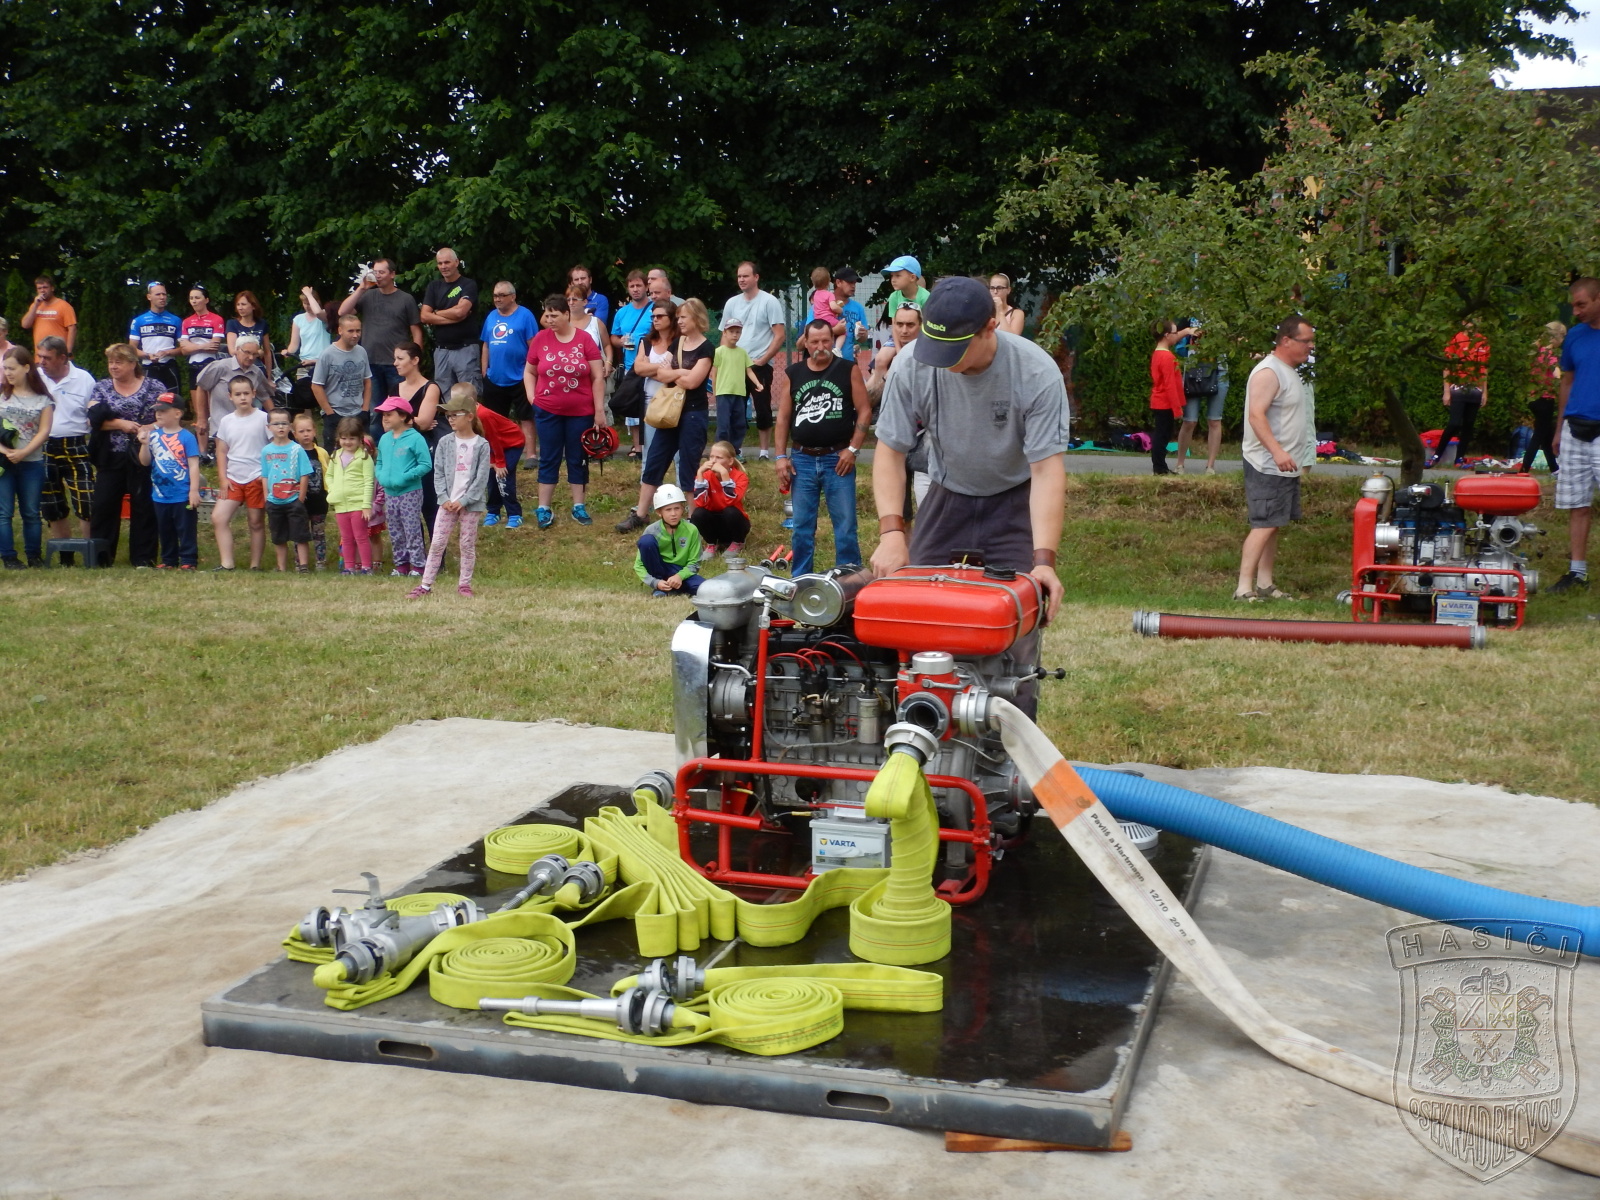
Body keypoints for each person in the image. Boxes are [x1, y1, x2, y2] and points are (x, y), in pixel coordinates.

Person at [872, 276, 1069, 715]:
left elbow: (1046, 471)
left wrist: (1043, 562)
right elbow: (889, 452)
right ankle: (921, 726)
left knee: (1017, 627)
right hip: (947, 496)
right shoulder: (912, 364)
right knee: (917, 615)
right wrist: (892, 533)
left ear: (989, 327)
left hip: (1014, 499)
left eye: (955, 350)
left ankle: (1009, 737)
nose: (943, 362)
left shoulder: (1035, 372)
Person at [776, 318, 872, 576]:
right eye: (815, 341)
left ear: (833, 341)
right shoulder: (793, 373)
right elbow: (783, 417)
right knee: (801, 527)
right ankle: (801, 580)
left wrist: (853, 450)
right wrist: (780, 457)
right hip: (802, 459)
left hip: (837, 458)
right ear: (805, 344)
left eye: (826, 341)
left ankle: (849, 579)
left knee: (845, 526)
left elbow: (864, 410)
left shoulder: (848, 369)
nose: (821, 347)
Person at [1234, 315, 1316, 602]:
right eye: (1306, 341)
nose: (1311, 347)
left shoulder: (1290, 370)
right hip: (1267, 463)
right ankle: (1243, 588)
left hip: (1285, 465)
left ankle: (1265, 584)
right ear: (1286, 340)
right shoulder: (1268, 372)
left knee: (1274, 523)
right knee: (1263, 524)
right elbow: (1256, 416)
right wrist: (1277, 452)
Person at [617, 299, 714, 534]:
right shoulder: (678, 343)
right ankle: (640, 514)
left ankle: (693, 518)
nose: (679, 321)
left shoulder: (706, 347)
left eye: (683, 317)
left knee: (688, 466)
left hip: (693, 414)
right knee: (655, 460)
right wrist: (681, 372)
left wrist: (674, 374)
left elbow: (693, 382)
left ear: (697, 319)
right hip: (670, 412)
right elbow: (662, 373)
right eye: (678, 317)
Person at [524, 292, 605, 530]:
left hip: (581, 411)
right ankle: (543, 507)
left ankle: (579, 506)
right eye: (547, 315)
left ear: (566, 314)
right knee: (549, 456)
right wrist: (532, 398)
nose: (549, 320)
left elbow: (597, 376)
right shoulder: (540, 339)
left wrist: (599, 409)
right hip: (547, 410)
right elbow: (529, 371)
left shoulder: (584, 339)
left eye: (554, 315)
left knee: (577, 458)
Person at [86, 343, 165, 567]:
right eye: (110, 362)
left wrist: (147, 428)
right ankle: (101, 558)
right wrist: (121, 424)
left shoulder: (155, 386)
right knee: (103, 505)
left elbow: (166, 418)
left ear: (132, 364)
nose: (113, 366)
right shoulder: (101, 388)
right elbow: (93, 421)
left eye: (118, 362)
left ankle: (144, 558)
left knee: (144, 506)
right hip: (110, 455)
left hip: (144, 455)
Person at [409, 394, 489, 598]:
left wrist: (464, 500)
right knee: (437, 543)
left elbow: (481, 478)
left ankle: (464, 585)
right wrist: (444, 498)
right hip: (446, 503)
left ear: (469, 416)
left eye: (455, 415)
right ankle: (425, 585)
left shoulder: (482, 445)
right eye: (448, 416)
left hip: (471, 504)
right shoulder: (444, 442)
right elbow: (438, 472)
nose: (450, 419)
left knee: (467, 544)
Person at [1550, 277, 1600, 594]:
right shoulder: (1575, 337)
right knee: (1577, 504)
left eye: (1582, 304)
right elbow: (1567, 382)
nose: (1576, 311)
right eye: (1573, 306)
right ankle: (1577, 573)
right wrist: (1558, 429)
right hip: (1575, 429)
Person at [719, 262, 787, 461]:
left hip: (759, 365)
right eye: (739, 276)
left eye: (745, 276)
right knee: (735, 410)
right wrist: (723, 362)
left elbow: (779, 335)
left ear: (756, 277)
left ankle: (764, 452)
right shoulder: (732, 303)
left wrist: (763, 360)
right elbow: (724, 335)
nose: (741, 280)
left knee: (763, 408)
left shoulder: (769, 302)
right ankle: (734, 450)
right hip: (734, 366)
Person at [36, 336, 97, 554]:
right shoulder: (35, 377)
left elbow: (94, 413)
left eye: (47, 358)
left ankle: (90, 553)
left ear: (63, 358)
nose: (42, 362)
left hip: (76, 443)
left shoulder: (83, 379)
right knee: (51, 501)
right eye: (40, 356)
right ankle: (65, 555)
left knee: (86, 497)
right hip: (43, 444)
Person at [0, 347, 56, 569]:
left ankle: (34, 556)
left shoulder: (43, 400)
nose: (8, 373)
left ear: (26, 368)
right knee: (4, 512)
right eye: (5, 369)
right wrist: (6, 452)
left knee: (31, 512)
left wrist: (23, 452)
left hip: (32, 462)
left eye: (12, 368)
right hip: (3, 463)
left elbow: (44, 432)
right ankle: (8, 557)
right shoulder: (2, 396)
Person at [339, 257, 421, 406]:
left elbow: (416, 331)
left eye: (381, 272)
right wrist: (361, 288)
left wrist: (416, 359)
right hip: (370, 362)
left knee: (399, 407)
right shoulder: (368, 295)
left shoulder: (406, 299)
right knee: (375, 410)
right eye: (375, 272)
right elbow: (342, 312)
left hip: (397, 364)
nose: (377, 276)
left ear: (392, 274)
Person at [210, 375, 272, 572]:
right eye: (238, 394)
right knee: (219, 517)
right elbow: (221, 451)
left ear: (254, 394)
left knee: (255, 522)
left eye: (246, 393)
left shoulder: (264, 418)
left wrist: (267, 476)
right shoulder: (226, 421)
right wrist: (223, 478)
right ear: (230, 396)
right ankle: (227, 563)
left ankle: (255, 565)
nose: (243, 397)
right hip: (233, 478)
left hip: (257, 477)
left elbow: (274, 448)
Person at [137, 394, 200, 569]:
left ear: (178, 413)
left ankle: (188, 560)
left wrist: (193, 490)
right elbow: (145, 462)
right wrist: (144, 444)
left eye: (164, 411)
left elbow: (193, 465)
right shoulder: (153, 436)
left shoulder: (187, 437)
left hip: (182, 493)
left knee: (185, 528)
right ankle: (168, 559)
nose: (158, 414)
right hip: (160, 494)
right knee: (165, 528)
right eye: (157, 410)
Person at [372, 395, 431, 576]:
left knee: (412, 529)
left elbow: (425, 464)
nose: (385, 418)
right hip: (390, 493)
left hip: (410, 491)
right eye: (383, 415)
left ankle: (418, 566)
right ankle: (401, 565)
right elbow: (379, 461)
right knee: (395, 530)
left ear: (403, 416)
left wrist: (405, 477)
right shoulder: (384, 439)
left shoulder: (416, 438)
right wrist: (381, 476)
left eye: (389, 414)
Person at [480, 282, 539, 449]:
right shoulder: (491, 316)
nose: (497, 299)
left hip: (520, 376)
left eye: (502, 295)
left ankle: (530, 454)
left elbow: (533, 346)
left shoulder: (525, 315)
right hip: (495, 377)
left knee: (526, 417)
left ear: (513, 296)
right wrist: (484, 370)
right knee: (494, 419)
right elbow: (486, 345)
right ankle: (499, 453)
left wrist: (531, 372)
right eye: (495, 296)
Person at [395, 339, 443, 534]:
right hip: (399, 452)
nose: (395, 363)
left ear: (415, 360)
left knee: (429, 504)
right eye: (395, 359)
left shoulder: (430, 388)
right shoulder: (395, 388)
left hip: (424, 451)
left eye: (400, 359)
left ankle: (437, 551)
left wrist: (401, 422)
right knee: (407, 508)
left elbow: (423, 422)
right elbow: (386, 422)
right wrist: (414, 422)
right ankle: (415, 551)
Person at [194, 336, 272, 455]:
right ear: (237, 350)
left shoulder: (256, 372)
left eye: (255, 354)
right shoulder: (220, 367)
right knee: (225, 457)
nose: (251, 357)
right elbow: (201, 387)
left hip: (247, 425)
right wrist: (201, 418)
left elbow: (265, 397)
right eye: (247, 352)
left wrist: (277, 418)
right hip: (222, 424)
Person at [420, 247, 481, 394]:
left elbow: (461, 312)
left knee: (468, 395)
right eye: (440, 263)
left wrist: (437, 313)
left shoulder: (468, 284)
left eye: (447, 262)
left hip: (465, 348)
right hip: (442, 351)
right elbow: (424, 316)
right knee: (444, 395)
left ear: (456, 262)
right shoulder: (434, 286)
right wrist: (453, 318)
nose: (443, 266)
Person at [260, 410, 314, 572]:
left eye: (284, 423)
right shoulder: (266, 451)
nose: (280, 427)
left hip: (294, 500)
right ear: (268, 427)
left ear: (290, 426)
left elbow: (305, 474)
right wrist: (266, 497)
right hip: (274, 501)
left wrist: (300, 499)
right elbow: (265, 475)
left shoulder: (297, 449)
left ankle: (303, 566)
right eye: (276, 424)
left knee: (300, 535)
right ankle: (281, 567)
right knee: (278, 536)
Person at [1430, 323, 1490, 467]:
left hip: (1475, 387)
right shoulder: (1456, 339)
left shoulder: (1483, 341)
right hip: (1458, 386)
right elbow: (1447, 365)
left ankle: (1459, 459)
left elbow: (1484, 369)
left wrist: (1484, 391)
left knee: (1469, 425)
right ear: (1463, 322)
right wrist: (1446, 391)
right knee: (1454, 423)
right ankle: (1436, 456)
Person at [609, 270, 654, 459]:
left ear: (646, 287)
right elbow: (613, 337)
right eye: (632, 286)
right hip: (630, 366)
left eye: (639, 285)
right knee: (633, 409)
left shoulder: (654, 309)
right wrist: (621, 342)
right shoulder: (622, 312)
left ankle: (652, 446)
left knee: (651, 407)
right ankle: (637, 448)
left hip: (652, 365)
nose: (635, 289)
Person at [312, 314, 373, 450]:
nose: (355, 335)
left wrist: (365, 409)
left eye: (358, 330)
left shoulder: (361, 351)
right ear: (340, 330)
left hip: (358, 412)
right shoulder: (327, 354)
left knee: (363, 454)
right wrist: (330, 413)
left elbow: (367, 381)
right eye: (350, 331)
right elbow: (316, 386)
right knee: (334, 456)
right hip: (335, 413)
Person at [633, 484, 704, 597]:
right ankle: (661, 586)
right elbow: (639, 564)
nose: (673, 514)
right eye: (668, 510)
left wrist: (679, 576)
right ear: (659, 512)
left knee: (704, 588)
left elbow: (695, 562)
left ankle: (672, 588)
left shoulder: (691, 530)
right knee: (646, 541)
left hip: (681, 570)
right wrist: (655, 582)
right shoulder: (651, 530)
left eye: (677, 508)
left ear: (682, 508)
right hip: (659, 569)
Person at [326, 416, 375, 575]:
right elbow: (329, 476)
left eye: (352, 438)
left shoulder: (364, 458)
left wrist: (366, 505)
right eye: (344, 438)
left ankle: (366, 567)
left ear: (360, 439)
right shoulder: (335, 456)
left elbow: (369, 482)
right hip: (341, 505)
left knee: (361, 537)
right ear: (338, 438)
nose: (347, 442)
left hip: (358, 504)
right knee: (346, 537)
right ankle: (349, 567)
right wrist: (333, 490)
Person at [1176, 333, 1227, 476]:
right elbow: (1178, 343)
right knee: (1189, 421)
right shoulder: (1190, 321)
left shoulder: (1224, 322)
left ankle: (1210, 466)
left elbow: (1233, 339)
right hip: (1193, 371)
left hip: (1218, 371)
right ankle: (1179, 464)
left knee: (1214, 420)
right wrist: (1189, 331)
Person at [477, 389, 527, 528]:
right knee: (491, 475)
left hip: (512, 444)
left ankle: (515, 514)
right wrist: (491, 461)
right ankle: (493, 511)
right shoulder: (464, 416)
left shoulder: (483, 415)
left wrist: (499, 462)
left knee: (503, 476)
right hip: (493, 447)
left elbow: (494, 439)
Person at [179, 285, 228, 426]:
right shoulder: (187, 321)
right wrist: (202, 346)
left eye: (197, 298)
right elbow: (183, 350)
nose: (194, 301)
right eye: (191, 298)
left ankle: (216, 436)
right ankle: (202, 439)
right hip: (193, 365)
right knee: (199, 413)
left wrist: (192, 346)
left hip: (210, 364)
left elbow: (214, 347)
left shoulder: (216, 319)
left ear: (206, 300)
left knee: (213, 410)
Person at [691, 440, 750, 557]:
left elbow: (730, 500)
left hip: (734, 522)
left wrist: (724, 474)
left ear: (730, 461)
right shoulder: (706, 475)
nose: (713, 461)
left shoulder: (740, 476)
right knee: (697, 514)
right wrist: (700, 473)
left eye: (718, 458)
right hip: (714, 522)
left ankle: (737, 542)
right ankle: (712, 543)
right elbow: (700, 503)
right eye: (711, 457)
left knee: (730, 511)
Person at [712, 319, 763, 453]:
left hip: (739, 393)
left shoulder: (742, 352)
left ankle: (734, 451)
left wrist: (758, 383)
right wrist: (715, 391)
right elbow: (714, 373)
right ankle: (720, 451)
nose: (735, 335)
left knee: (739, 424)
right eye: (731, 332)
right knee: (723, 425)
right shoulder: (719, 352)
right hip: (723, 394)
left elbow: (749, 371)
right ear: (725, 333)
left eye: (738, 332)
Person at [284, 287, 333, 417]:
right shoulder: (298, 319)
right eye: (304, 303)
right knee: (304, 399)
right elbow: (294, 344)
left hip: (322, 362)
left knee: (325, 396)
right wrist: (288, 352)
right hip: (304, 363)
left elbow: (318, 312)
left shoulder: (324, 317)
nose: (307, 306)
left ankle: (328, 419)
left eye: (309, 303)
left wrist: (309, 294)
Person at [1522, 320, 1563, 475]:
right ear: (1557, 337)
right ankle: (1524, 468)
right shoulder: (1549, 353)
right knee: (1539, 434)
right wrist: (1561, 381)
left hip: (1533, 397)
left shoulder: (1536, 351)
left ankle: (1554, 468)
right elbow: (1556, 372)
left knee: (1546, 434)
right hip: (1546, 398)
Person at [1148, 319, 1188, 475]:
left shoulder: (1158, 354)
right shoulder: (1167, 357)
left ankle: (1160, 466)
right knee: (1162, 436)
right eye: (1174, 332)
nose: (1176, 335)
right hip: (1164, 403)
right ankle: (1159, 467)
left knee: (1161, 435)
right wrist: (1177, 409)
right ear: (1166, 335)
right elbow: (1170, 385)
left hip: (1160, 401)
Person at [128, 281, 183, 393]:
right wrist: (147, 355)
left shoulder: (176, 320)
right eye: (158, 294)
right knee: (147, 401)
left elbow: (184, 349)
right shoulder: (139, 320)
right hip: (148, 367)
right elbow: (131, 349)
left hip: (169, 367)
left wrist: (168, 352)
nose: (162, 297)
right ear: (149, 297)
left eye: (164, 294)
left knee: (173, 400)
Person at [292, 411, 331, 568]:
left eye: (308, 430)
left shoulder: (321, 452)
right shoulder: (293, 453)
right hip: (299, 501)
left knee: (319, 533)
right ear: (295, 434)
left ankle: (321, 561)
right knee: (299, 533)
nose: (306, 434)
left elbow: (328, 471)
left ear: (315, 431)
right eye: (301, 431)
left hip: (319, 500)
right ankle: (300, 562)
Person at [22, 276, 77, 353]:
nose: (42, 290)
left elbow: (72, 329)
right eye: (39, 288)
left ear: (52, 288)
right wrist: (35, 305)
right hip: (40, 353)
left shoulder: (64, 306)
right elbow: (25, 325)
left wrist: (68, 351)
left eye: (45, 287)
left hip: (58, 353)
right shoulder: (35, 306)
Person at [568, 285, 612, 372]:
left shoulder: (596, 322)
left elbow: (607, 345)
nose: (571, 302)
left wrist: (608, 362)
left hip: (595, 372)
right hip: (569, 370)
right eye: (568, 300)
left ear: (585, 302)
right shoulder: (563, 324)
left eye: (575, 299)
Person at [833, 268, 870, 362]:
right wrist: (834, 331)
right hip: (825, 362)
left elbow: (863, 339)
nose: (853, 286)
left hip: (848, 362)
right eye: (850, 282)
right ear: (838, 282)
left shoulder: (858, 308)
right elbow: (811, 333)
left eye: (854, 283)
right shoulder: (823, 304)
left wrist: (862, 334)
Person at [226, 291, 273, 365]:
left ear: (253, 306)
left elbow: (267, 352)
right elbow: (232, 351)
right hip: (239, 365)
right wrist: (256, 353)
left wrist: (268, 372)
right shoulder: (232, 324)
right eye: (238, 304)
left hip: (257, 366)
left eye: (243, 304)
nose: (240, 308)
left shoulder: (262, 324)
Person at [883, 256, 930, 320]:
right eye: (892, 275)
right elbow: (895, 324)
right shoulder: (894, 297)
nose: (893, 280)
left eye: (898, 275)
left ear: (912, 277)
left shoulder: (925, 297)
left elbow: (928, 323)